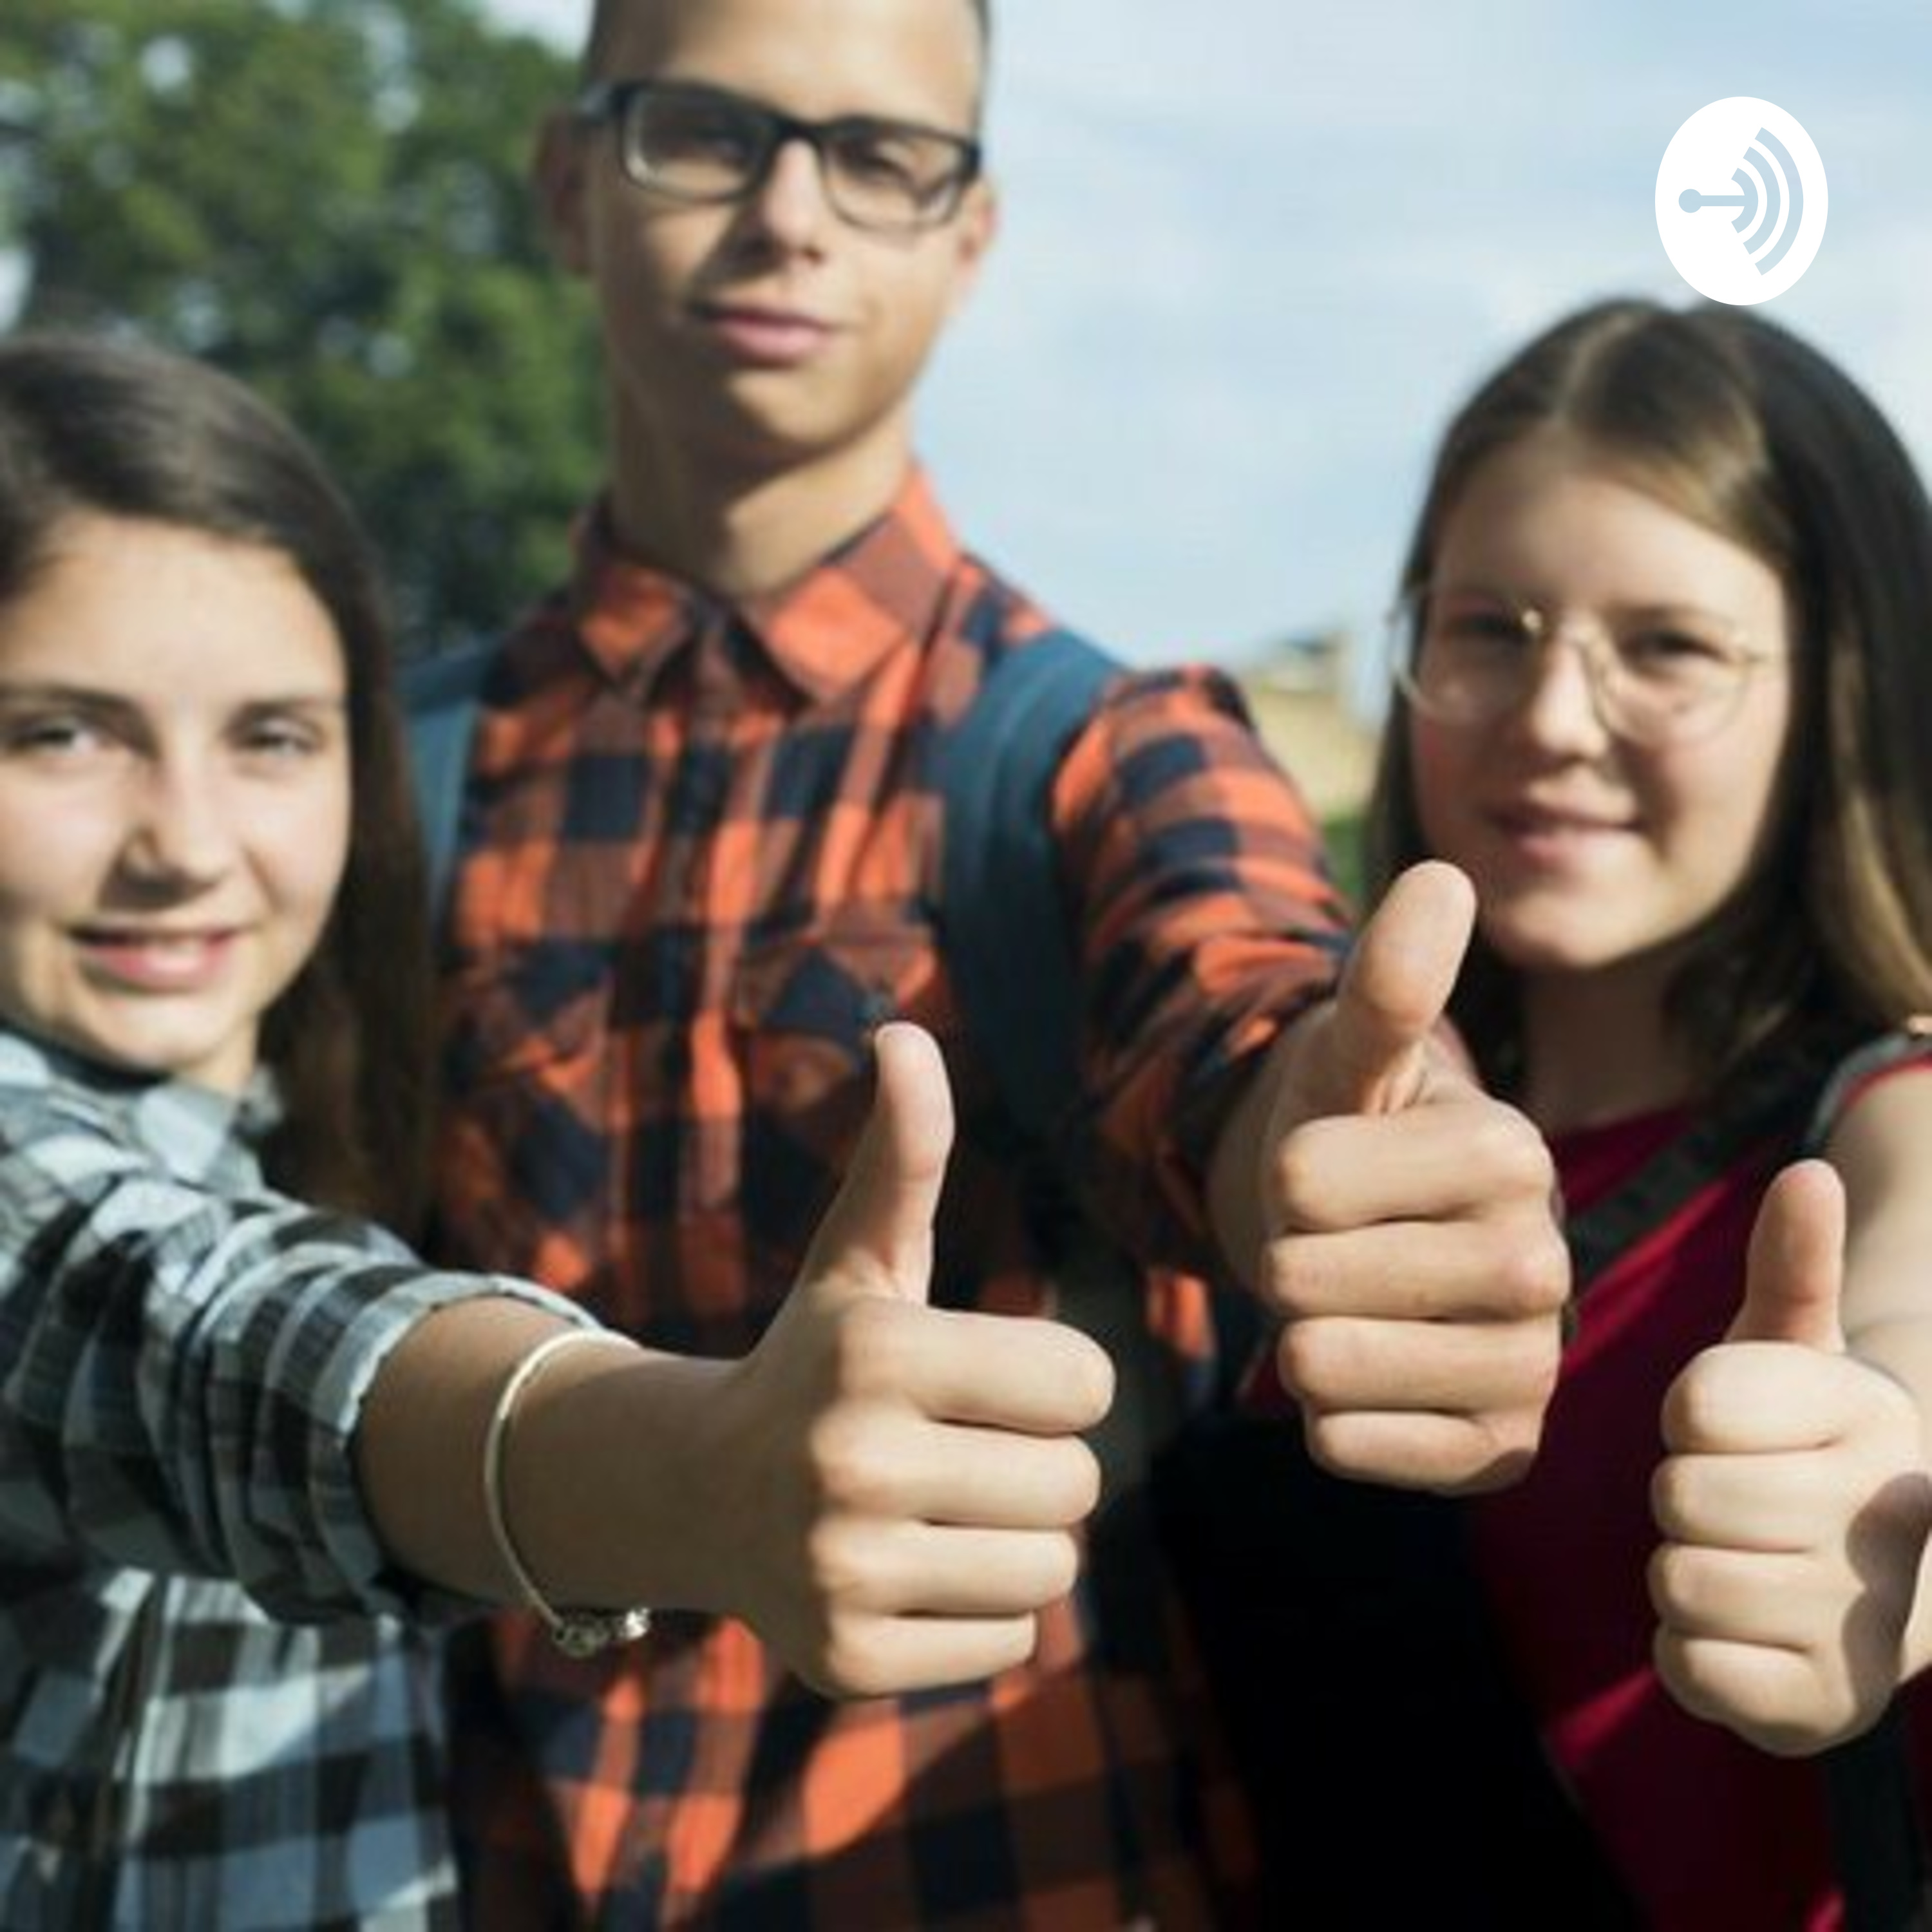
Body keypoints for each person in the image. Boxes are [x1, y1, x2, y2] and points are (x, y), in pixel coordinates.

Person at [428, 0, 1570, 1922]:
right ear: (569, 182)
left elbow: (1243, 993)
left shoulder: (1093, 754)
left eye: (883, 161)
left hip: (992, 1861)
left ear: (972, 236)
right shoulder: (387, 781)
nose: (792, 214)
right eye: (705, 132)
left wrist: (1343, 1148)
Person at [0, 330, 1121, 1930]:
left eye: (273, 738)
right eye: (63, 734)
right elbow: (202, 1333)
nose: (184, 844)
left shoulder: (334, 1114)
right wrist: (688, 1471)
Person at [1339, 295, 1932, 1927]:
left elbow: (1906, 1327)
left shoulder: (1890, 1118)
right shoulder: (1325, 1125)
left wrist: (1874, 1497)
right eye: (1488, 629)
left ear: (1846, 693)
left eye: (1667, 648)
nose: (1550, 723)